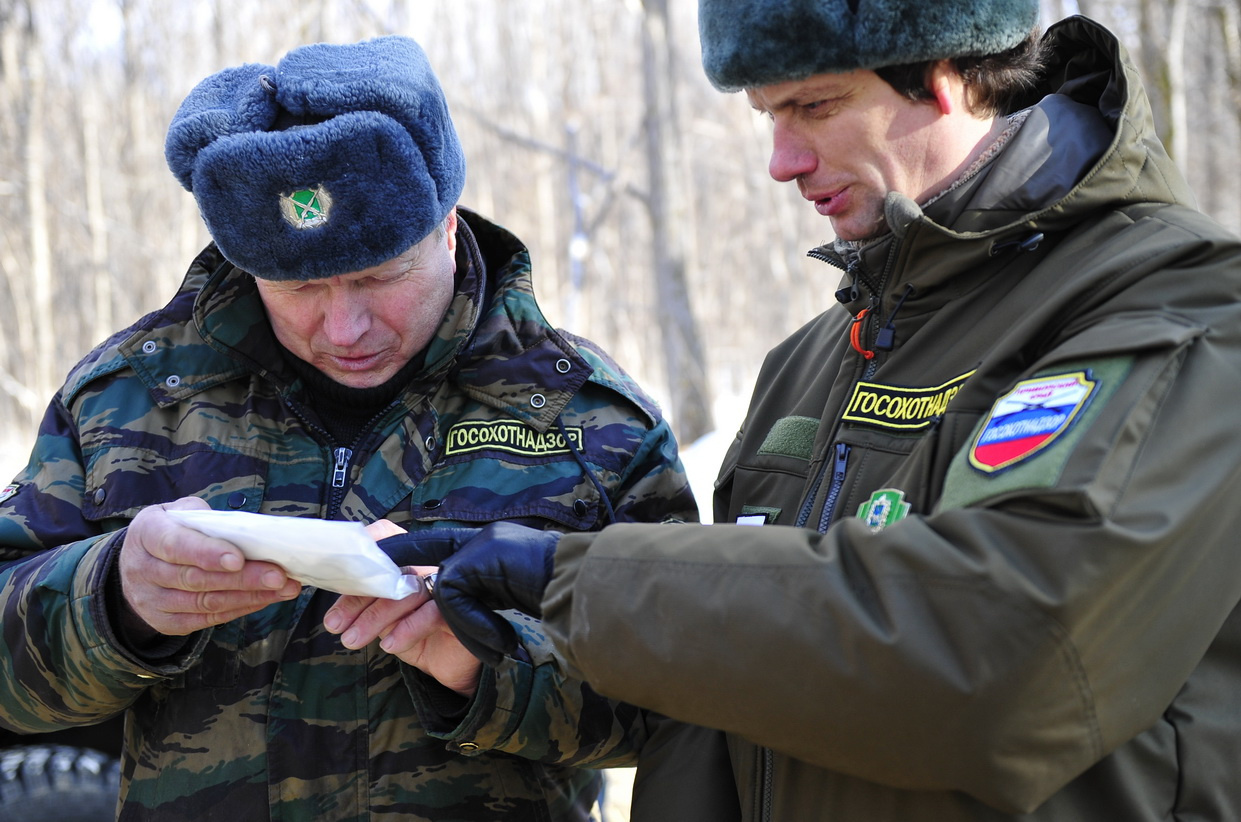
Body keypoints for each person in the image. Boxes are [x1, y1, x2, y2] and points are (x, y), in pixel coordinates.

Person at [389, 2, 1241, 820]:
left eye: (814, 106)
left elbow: (1006, 660)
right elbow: (722, 707)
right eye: (767, 115)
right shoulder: (807, 364)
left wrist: (579, 579)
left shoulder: (1172, 311)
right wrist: (494, 657)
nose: (781, 161)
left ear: (947, 73)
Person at [0, 35, 698, 822]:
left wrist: (486, 667)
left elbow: (687, 704)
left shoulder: (589, 420)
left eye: (379, 276)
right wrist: (114, 599)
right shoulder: (124, 399)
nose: (345, 326)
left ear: (444, 225)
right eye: (296, 288)